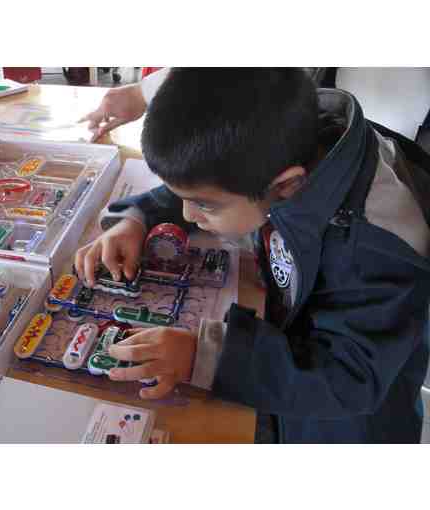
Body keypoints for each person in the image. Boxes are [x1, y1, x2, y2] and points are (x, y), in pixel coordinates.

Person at [74, 68, 430, 443]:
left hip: (340, 425)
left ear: (287, 185)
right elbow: (207, 182)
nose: (188, 215)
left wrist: (205, 356)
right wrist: (137, 219)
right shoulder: (279, 148)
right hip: (279, 356)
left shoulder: (374, 250)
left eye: (202, 207)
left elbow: (348, 376)